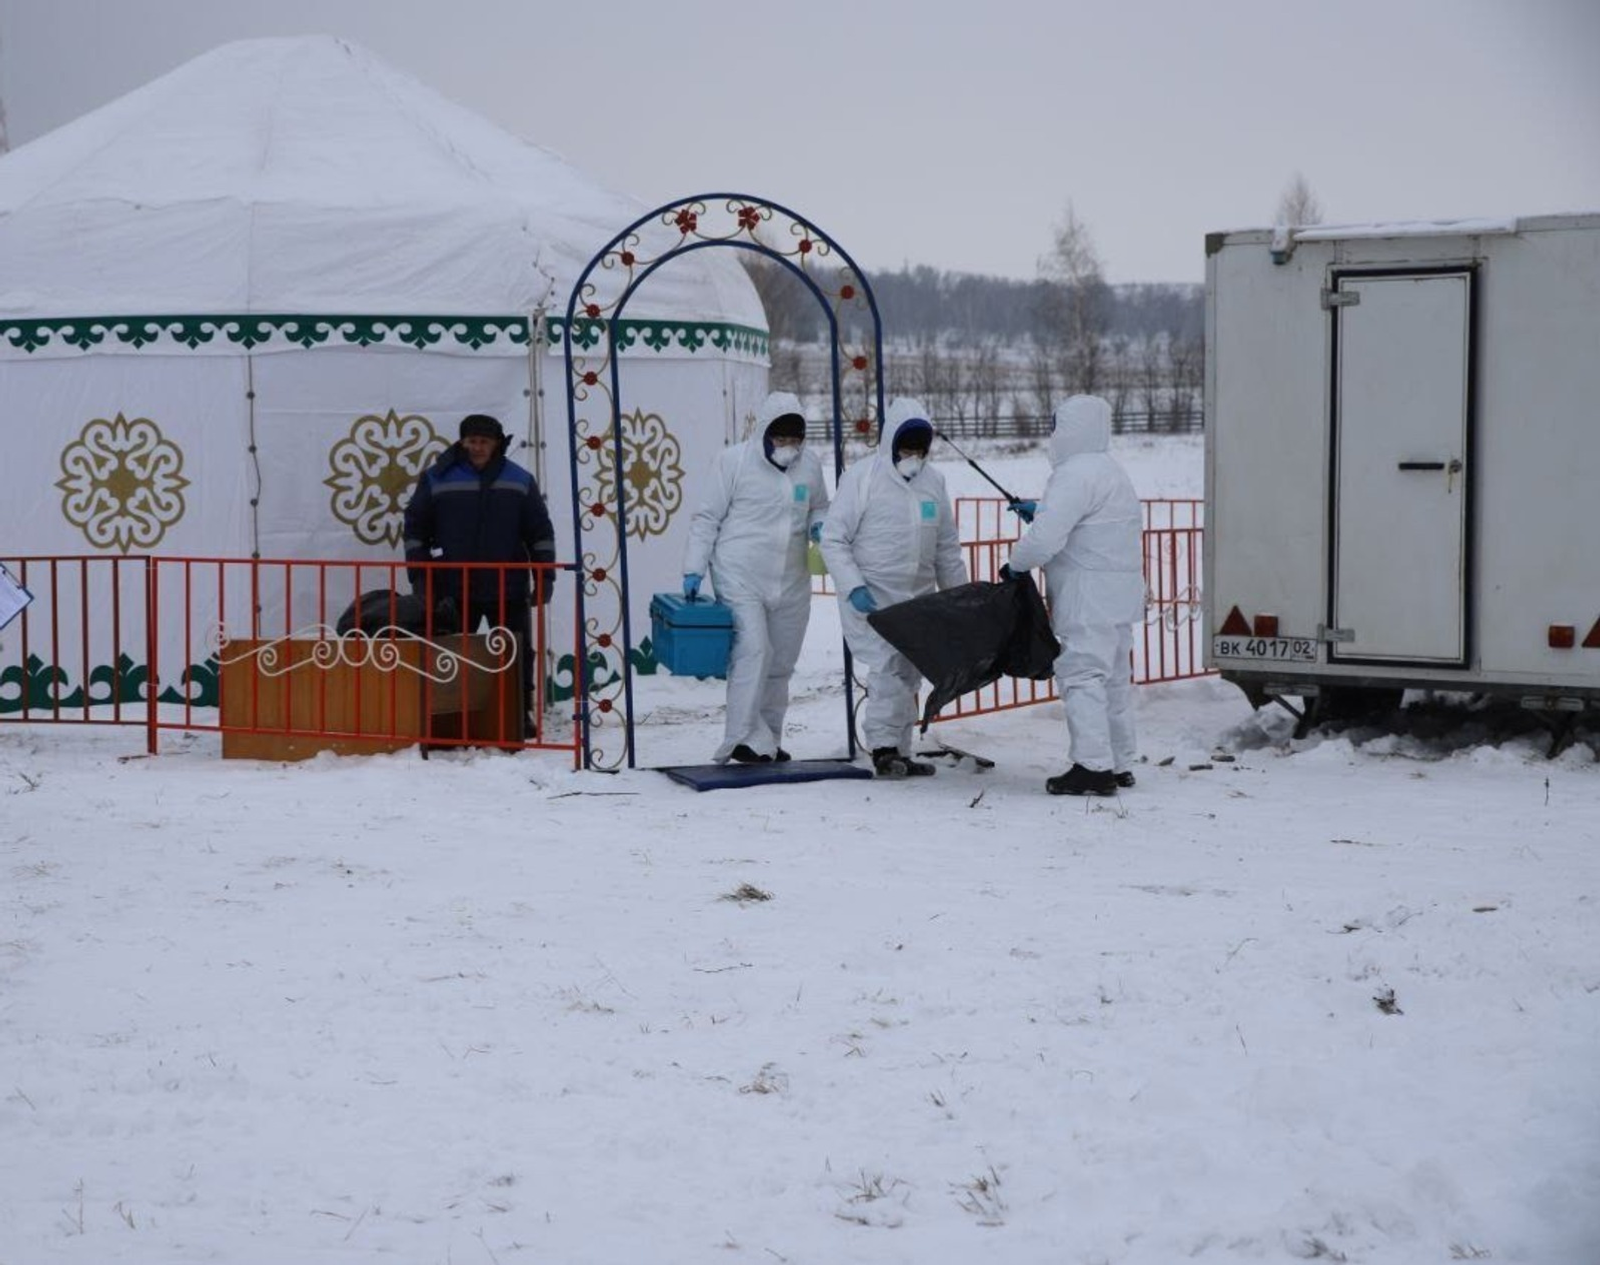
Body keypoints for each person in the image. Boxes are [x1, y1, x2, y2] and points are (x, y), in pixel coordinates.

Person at [1003, 394, 1144, 796]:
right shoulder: (1112, 471)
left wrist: (1016, 564)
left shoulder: (1074, 474)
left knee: (1082, 675)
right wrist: (1043, 508)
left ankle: (1092, 767)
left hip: (1088, 596)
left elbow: (1046, 538)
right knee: (1114, 679)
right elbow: (1087, 523)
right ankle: (1119, 763)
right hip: (1120, 595)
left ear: (1068, 430)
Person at [820, 397, 967, 778]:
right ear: (890, 444)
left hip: (918, 598)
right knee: (887, 667)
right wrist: (852, 585)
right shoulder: (863, 478)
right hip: (873, 596)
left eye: (920, 449)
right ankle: (884, 746)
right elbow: (834, 538)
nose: (913, 456)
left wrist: (959, 597)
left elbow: (947, 548)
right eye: (906, 448)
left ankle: (900, 749)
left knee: (909, 671)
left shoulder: (933, 482)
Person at [682, 391, 829, 765]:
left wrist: (819, 527)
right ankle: (741, 738)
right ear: (764, 433)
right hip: (739, 574)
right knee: (754, 651)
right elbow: (707, 517)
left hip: (791, 579)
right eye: (781, 439)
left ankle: (766, 741)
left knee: (780, 662)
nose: (788, 448)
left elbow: (820, 506)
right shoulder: (733, 462)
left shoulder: (809, 466)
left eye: (795, 440)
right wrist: (694, 568)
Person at [402, 413, 557, 706]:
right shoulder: (436, 477)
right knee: (450, 654)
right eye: (472, 440)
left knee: (517, 653)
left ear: (497, 444)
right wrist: (419, 575)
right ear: (462, 441)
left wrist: (545, 576)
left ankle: (520, 713)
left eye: (484, 442)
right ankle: (449, 717)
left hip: (508, 588)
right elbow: (415, 527)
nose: (477, 447)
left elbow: (540, 530)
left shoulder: (520, 480)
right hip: (452, 588)